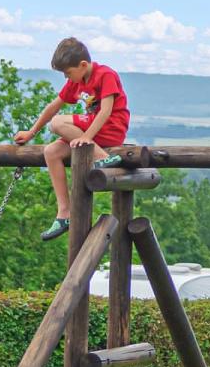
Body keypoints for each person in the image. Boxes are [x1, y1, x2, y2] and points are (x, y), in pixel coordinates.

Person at [14, 37, 130, 241]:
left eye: (68, 72)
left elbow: (105, 112)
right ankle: (64, 213)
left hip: (110, 128)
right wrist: (31, 132)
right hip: (91, 133)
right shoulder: (75, 83)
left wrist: (86, 138)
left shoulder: (105, 75)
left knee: (58, 123)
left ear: (83, 65)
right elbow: (54, 106)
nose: (67, 77)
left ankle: (103, 158)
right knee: (51, 152)